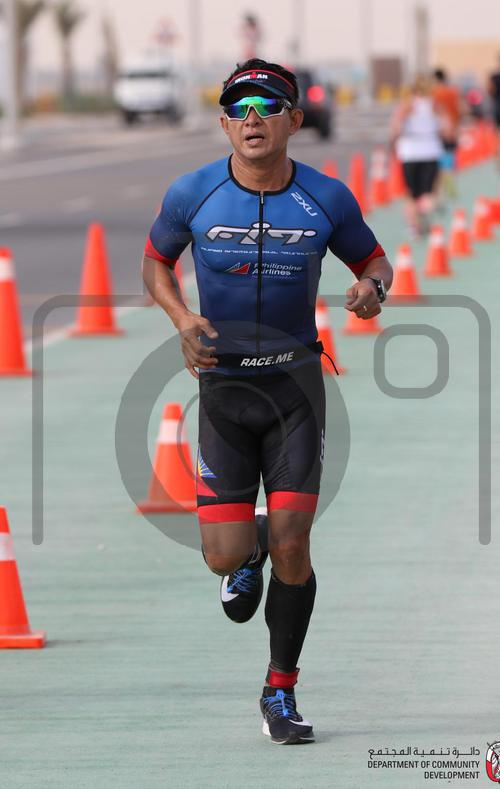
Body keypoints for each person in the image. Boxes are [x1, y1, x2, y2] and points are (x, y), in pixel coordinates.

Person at [142, 58, 392, 745]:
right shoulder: (193, 193)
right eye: (237, 108)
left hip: (295, 390)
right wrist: (181, 319)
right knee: (222, 558)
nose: (251, 119)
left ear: (294, 120)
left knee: (294, 542)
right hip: (224, 390)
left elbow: (374, 260)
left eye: (267, 106)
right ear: (224, 124)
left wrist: (373, 289)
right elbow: (155, 262)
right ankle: (244, 551)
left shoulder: (326, 198)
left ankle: (280, 689)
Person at [391, 74, 449, 238]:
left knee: (411, 193)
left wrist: (394, 143)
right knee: (428, 191)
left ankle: (414, 226)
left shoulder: (407, 105)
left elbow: (396, 128)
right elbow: (446, 128)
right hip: (431, 150)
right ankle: (424, 211)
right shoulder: (435, 105)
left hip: (410, 151)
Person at [432, 68, 462, 199]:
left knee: (437, 162)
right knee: (449, 157)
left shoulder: (432, 93)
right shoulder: (452, 92)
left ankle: (439, 189)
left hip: (437, 132)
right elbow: (459, 109)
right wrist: (457, 127)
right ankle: (449, 179)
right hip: (451, 130)